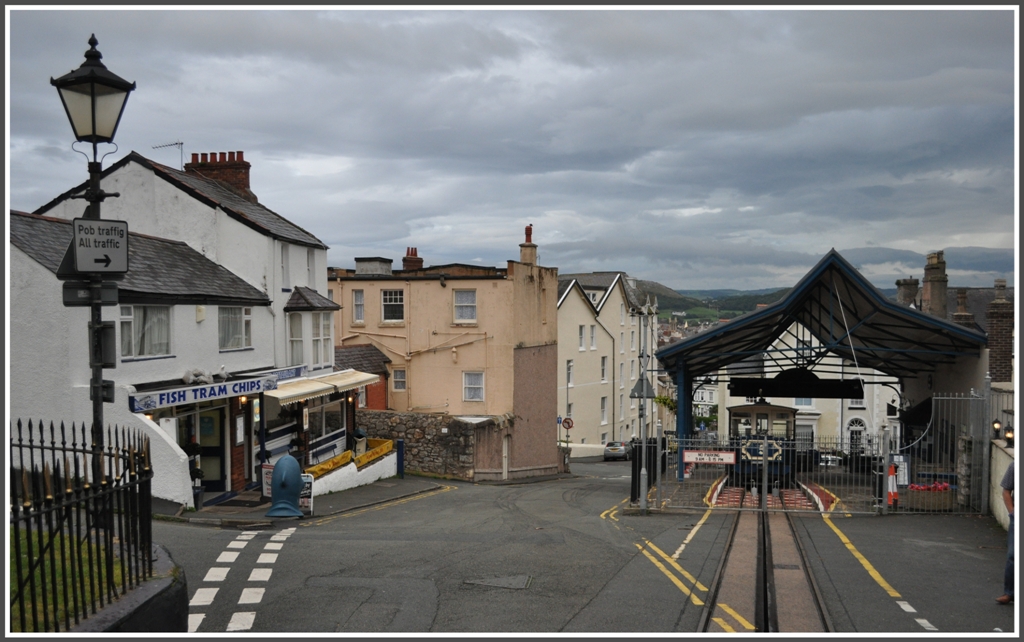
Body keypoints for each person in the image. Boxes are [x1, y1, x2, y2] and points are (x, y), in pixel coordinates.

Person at [997, 461, 1015, 605]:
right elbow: (1006, 490)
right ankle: (1009, 593)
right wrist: (1012, 512)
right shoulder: (1015, 465)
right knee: (1013, 555)